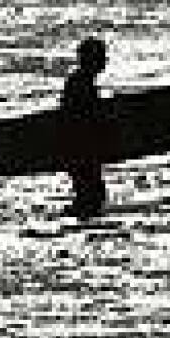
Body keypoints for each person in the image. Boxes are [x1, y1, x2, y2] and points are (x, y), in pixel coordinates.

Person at [60, 36, 108, 219]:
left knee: (91, 194)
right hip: (81, 150)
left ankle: (81, 219)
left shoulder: (81, 82)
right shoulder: (79, 84)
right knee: (91, 195)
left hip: (81, 150)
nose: (104, 61)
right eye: (101, 57)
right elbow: (79, 119)